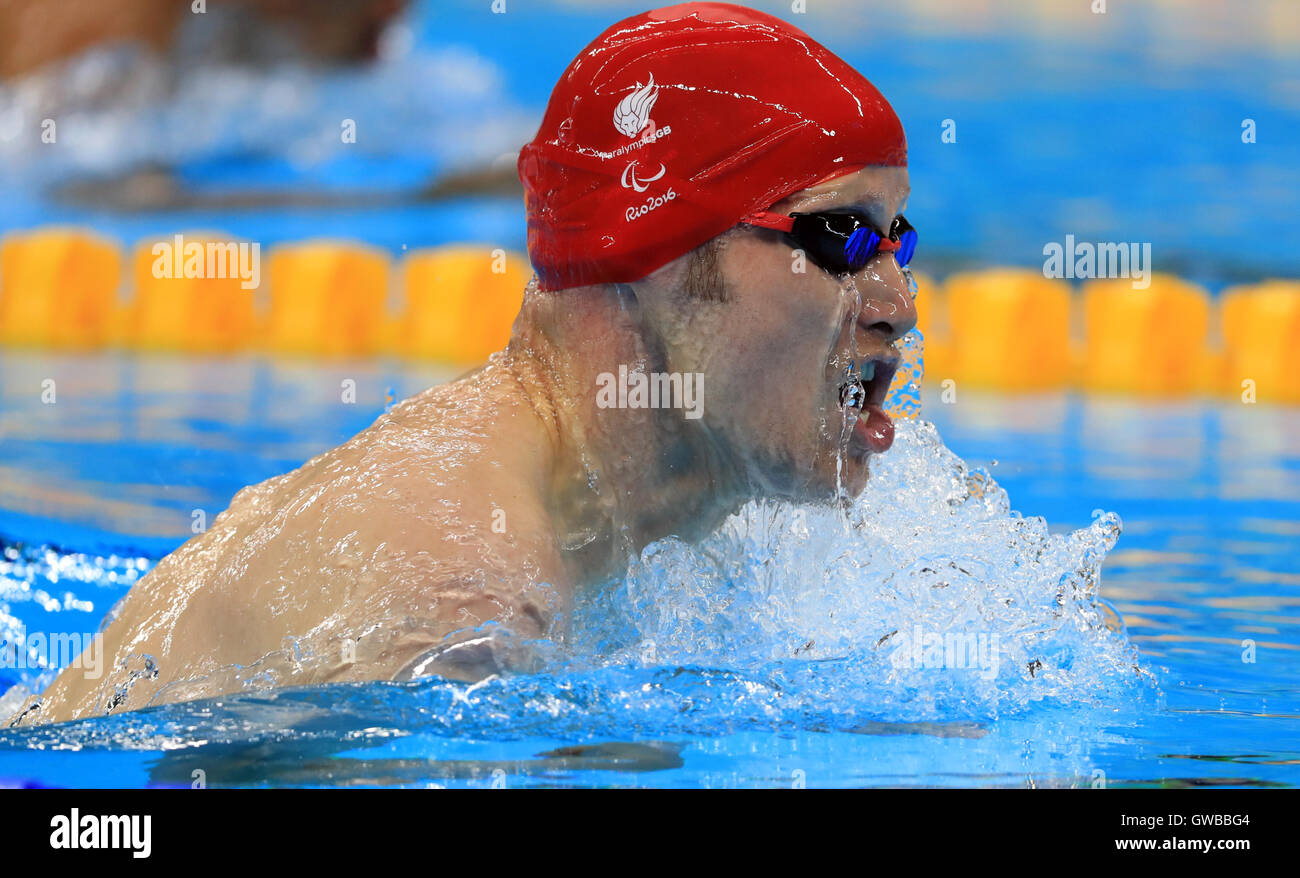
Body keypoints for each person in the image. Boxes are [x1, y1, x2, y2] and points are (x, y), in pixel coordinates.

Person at [28, 2, 917, 725]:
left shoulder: (624, 511)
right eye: (842, 237)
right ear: (661, 257)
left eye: (898, 241)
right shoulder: (453, 610)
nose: (898, 306)